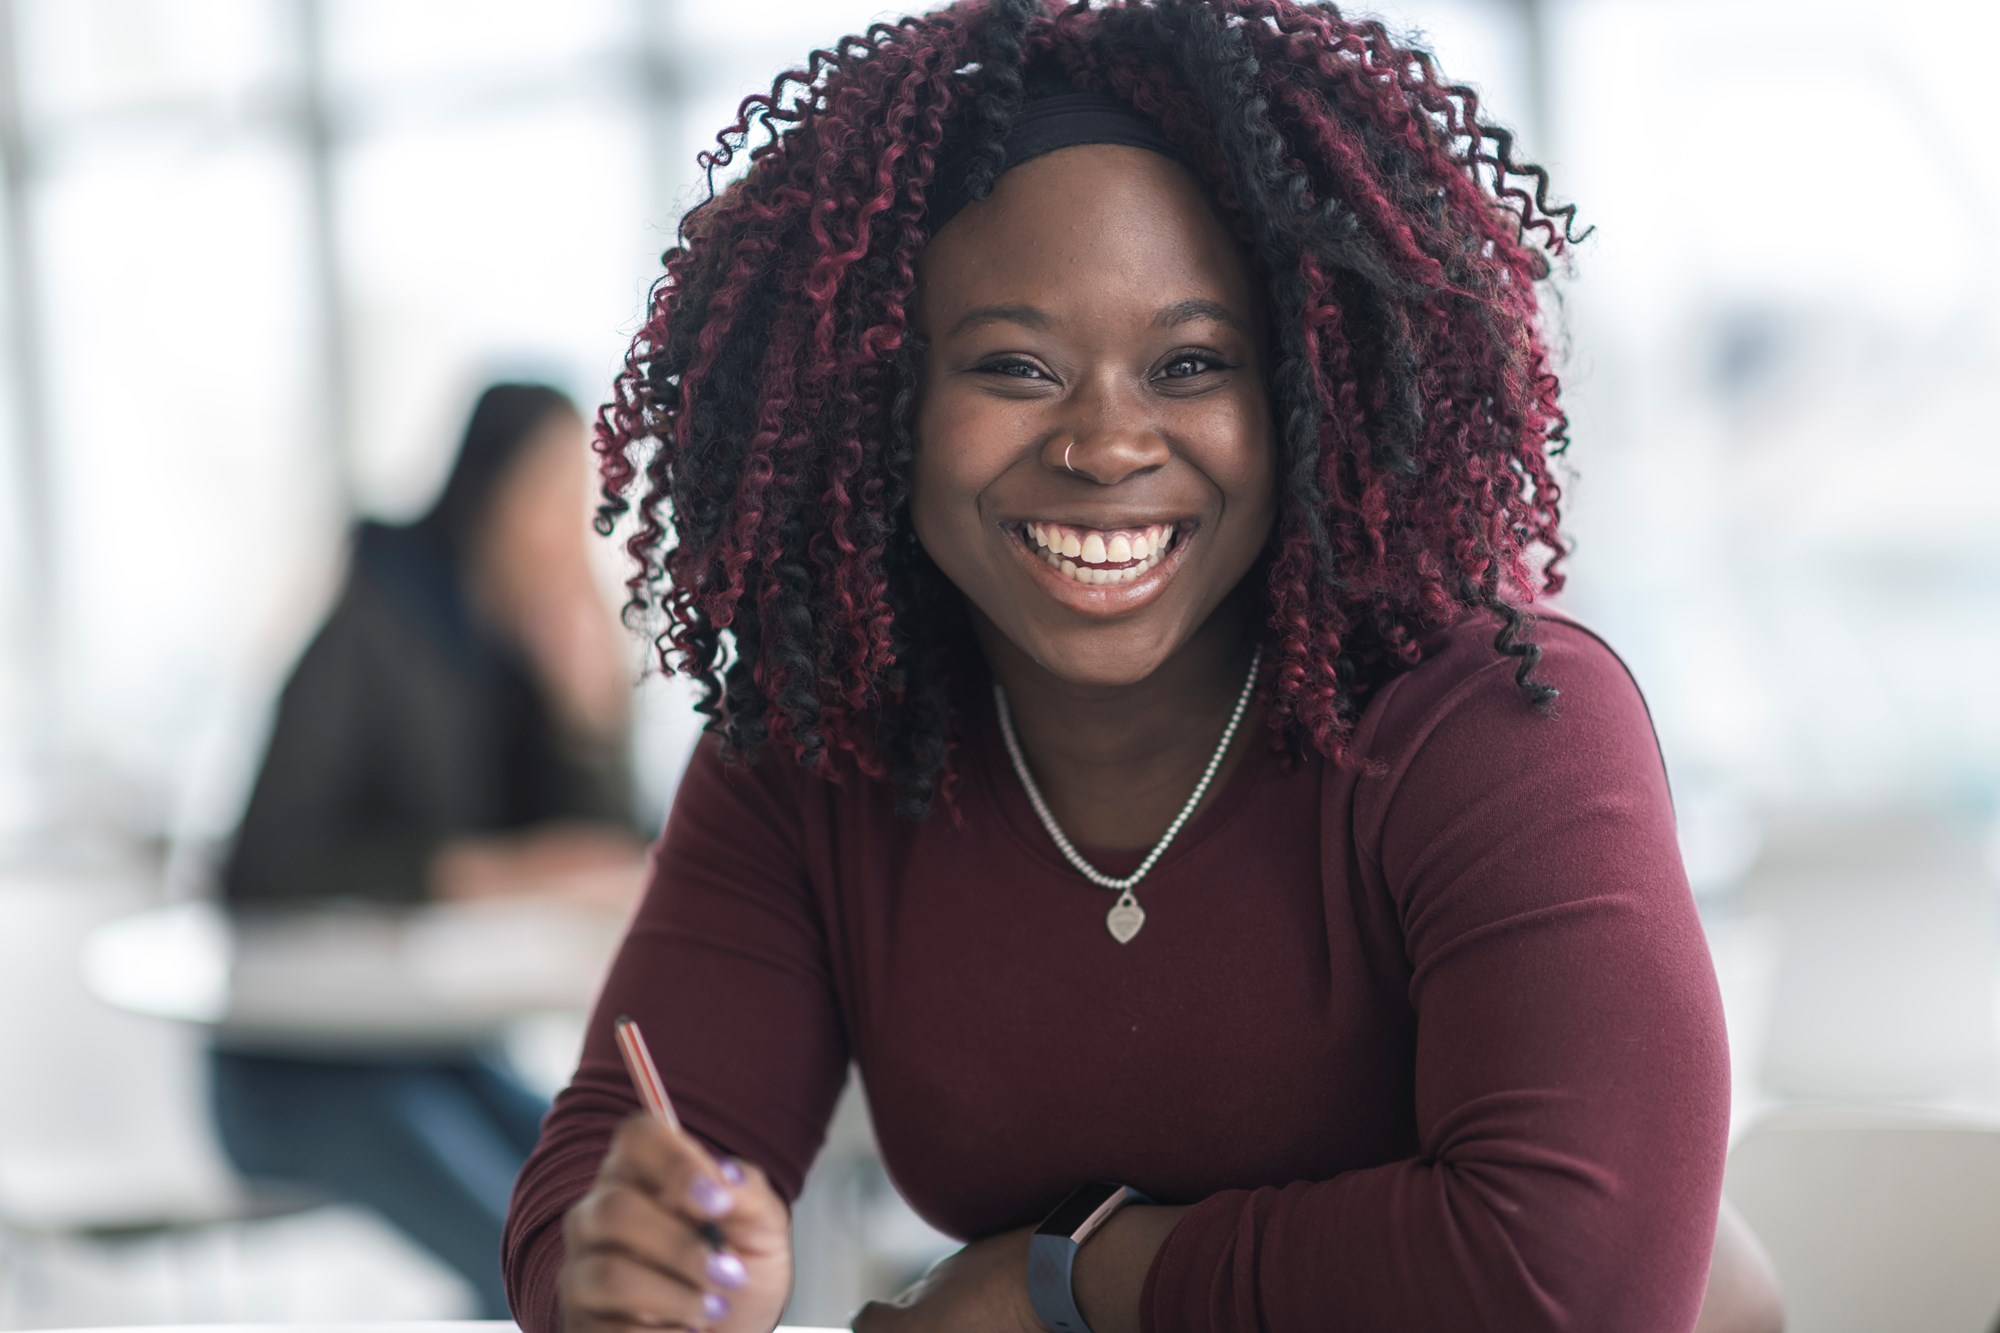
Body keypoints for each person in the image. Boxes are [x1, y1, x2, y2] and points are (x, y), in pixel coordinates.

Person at [503, 3, 1784, 1330]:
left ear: (1304, 393)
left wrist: (1055, 1278)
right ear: (880, 405)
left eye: (1190, 364)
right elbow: (601, 1182)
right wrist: (640, 1267)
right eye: (1015, 365)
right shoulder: (820, 747)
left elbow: (1567, 1281)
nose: (1107, 444)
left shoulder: (1494, 722)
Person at [213, 382, 649, 1317]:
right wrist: (477, 874)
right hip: (296, 1067)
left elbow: (606, 851)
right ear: (485, 487)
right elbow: (258, 865)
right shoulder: (372, 618)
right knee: (543, 1266)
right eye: (546, 490)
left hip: (434, 1050)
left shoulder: (515, 645)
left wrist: (588, 718)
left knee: (626, 1211)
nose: (568, 524)